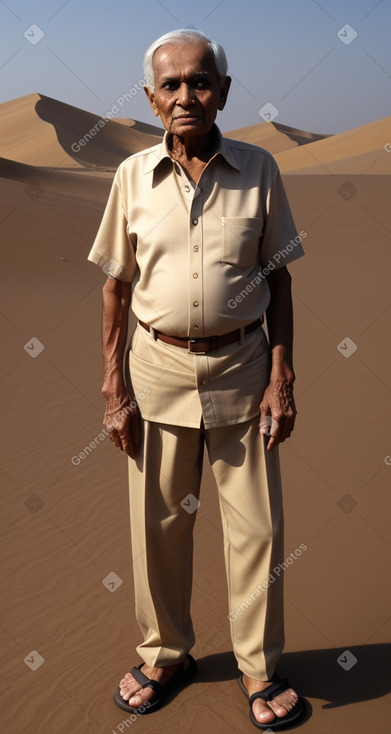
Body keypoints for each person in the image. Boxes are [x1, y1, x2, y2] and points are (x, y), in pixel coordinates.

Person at [88, 28, 307, 731]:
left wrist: (282, 377)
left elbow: (279, 281)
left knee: (258, 533)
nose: (187, 95)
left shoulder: (260, 168)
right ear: (152, 100)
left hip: (244, 369)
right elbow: (115, 290)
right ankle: (165, 654)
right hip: (155, 373)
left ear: (223, 91)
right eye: (172, 85)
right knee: (157, 529)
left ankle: (258, 668)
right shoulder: (131, 179)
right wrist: (113, 389)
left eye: (200, 81)